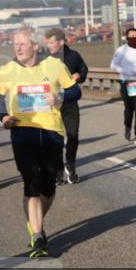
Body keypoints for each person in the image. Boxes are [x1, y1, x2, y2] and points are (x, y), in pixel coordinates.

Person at [0, 27, 78, 258]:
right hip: (22, 132)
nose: (17, 47)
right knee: (31, 183)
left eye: (22, 43)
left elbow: (75, 91)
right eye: (15, 43)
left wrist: (60, 97)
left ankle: (35, 220)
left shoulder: (54, 66)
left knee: (48, 187)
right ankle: (39, 236)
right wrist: (4, 117)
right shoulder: (8, 70)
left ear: (36, 46)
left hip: (52, 132)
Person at [44, 28, 88, 183]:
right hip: (52, 105)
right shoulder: (43, 60)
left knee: (73, 135)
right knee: (55, 139)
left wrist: (79, 76)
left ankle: (70, 164)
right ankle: (57, 170)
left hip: (69, 102)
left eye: (51, 42)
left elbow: (84, 69)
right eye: (47, 42)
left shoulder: (73, 56)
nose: (49, 45)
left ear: (61, 42)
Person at [110, 28, 136, 144]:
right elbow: (113, 65)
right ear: (127, 37)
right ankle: (127, 126)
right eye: (131, 36)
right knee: (129, 109)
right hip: (126, 82)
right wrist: (125, 72)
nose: (134, 38)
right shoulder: (121, 50)